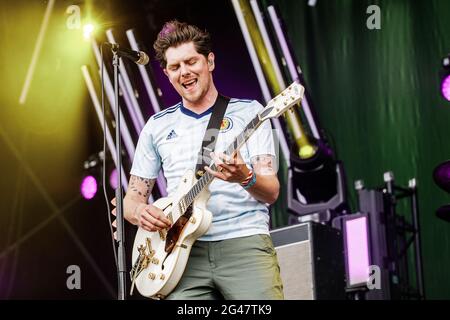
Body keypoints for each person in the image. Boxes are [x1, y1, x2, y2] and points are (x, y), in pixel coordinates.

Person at [124, 20, 284, 300]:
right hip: (181, 256)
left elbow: (271, 192)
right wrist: (140, 213)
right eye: (175, 67)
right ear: (167, 73)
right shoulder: (156, 126)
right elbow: (131, 200)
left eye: (191, 62)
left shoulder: (252, 113)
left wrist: (244, 177)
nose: (184, 72)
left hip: (244, 242)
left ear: (209, 61)